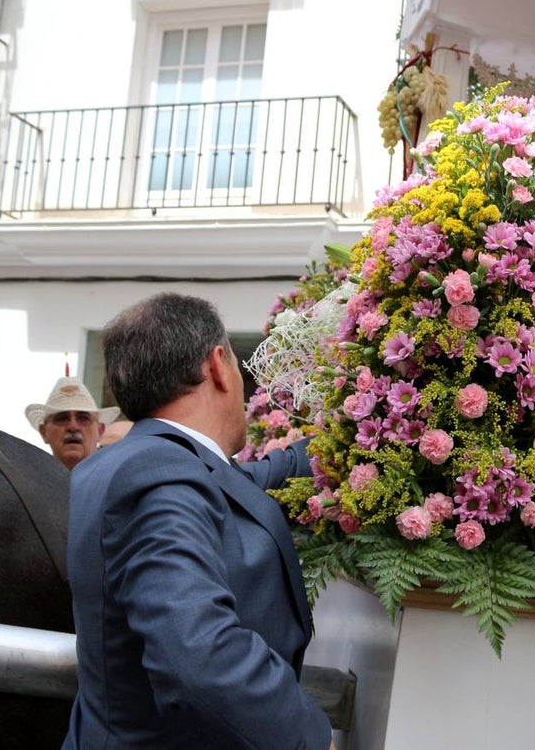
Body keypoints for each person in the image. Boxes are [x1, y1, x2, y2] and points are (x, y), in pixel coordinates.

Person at [62, 292, 334, 750]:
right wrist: (306, 737)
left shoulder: (148, 462)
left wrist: (358, 422)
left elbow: (259, 480)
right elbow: (199, 652)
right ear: (217, 365)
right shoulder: (159, 473)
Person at [25, 377, 119, 470]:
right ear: (44, 432)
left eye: (83, 418)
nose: (73, 427)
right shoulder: (27, 476)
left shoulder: (117, 475)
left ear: (100, 431)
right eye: (62, 419)